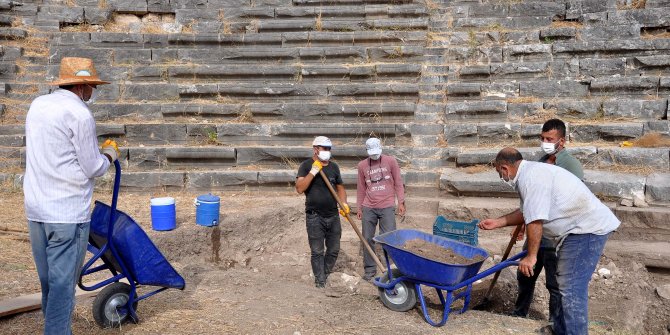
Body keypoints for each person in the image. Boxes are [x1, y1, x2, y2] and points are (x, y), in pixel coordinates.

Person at [24, 57, 120, 335]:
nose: (93, 91)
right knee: (63, 286)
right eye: (91, 86)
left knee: (49, 281)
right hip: (66, 213)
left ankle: (53, 325)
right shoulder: (79, 114)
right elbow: (92, 167)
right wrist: (110, 155)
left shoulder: (38, 105)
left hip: (37, 208)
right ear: (81, 86)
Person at [479, 148, 620, 335]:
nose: (502, 178)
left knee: (570, 288)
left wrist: (531, 257)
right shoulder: (530, 173)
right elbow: (526, 211)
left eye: (500, 173)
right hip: (578, 229)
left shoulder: (531, 179)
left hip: (585, 230)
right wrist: (498, 222)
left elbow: (535, 219)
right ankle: (561, 329)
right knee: (564, 284)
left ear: (504, 168)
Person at [511, 118, 584, 321]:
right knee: (525, 274)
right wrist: (522, 224)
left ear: (562, 141)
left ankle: (554, 322)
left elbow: (575, 200)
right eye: (542, 138)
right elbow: (532, 199)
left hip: (556, 235)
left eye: (549, 138)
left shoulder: (571, 166)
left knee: (554, 282)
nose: (545, 142)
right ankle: (519, 313)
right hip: (537, 231)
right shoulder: (541, 161)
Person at [296, 136, 349, 288]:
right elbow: (300, 188)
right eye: (325, 148)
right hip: (314, 216)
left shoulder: (334, 167)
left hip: (333, 215)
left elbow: (340, 188)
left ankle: (324, 274)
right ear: (316, 149)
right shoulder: (306, 165)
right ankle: (320, 282)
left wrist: (344, 203)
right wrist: (313, 171)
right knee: (317, 251)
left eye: (329, 149)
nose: (327, 151)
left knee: (333, 249)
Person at [356, 137, 406, 281]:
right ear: (367, 151)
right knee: (367, 239)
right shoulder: (362, 165)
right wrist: (359, 207)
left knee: (389, 238)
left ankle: (391, 269)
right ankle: (370, 270)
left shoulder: (391, 161)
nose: (374, 155)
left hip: (387, 205)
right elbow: (361, 188)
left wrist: (401, 202)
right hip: (369, 207)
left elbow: (398, 182)